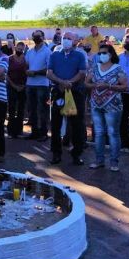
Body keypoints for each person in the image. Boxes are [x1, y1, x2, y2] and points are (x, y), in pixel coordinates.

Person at [85, 43, 128, 171]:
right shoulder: (95, 67)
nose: (101, 55)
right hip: (96, 104)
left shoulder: (118, 68)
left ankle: (114, 162)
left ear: (111, 54)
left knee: (113, 133)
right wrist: (95, 85)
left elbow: (125, 86)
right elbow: (86, 83)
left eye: (104, 53)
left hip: (113, 106)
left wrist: (109, 86)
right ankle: (99, 160)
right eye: (100, 53)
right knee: (98, 133)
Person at [47, 31, 88, 165]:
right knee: (55, 124)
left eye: (69, 38)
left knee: (76, 125)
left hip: (75, 92)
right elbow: (49, 73)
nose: (66, 40)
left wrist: (69, 82)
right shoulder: (54, 55)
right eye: (64, 38)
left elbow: (82, 73)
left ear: (76, 41)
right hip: (58, 91)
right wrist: (61, 82)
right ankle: (56, 153)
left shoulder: (80, 55)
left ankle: (76, 154)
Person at [25, 31, 51, 141]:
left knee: (43, 109)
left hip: (42, 85)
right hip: (30, 84)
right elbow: (26, 65)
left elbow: (49, 69)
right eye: (34, 36)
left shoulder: (47, 51)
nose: (36, 38)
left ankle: (44, 133)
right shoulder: (30, 52)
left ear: (43, 37)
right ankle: (34, 132)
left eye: (38, 36)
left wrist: (35, 72)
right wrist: (27, 71)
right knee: (32, 109)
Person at [6, 42, 28, 138]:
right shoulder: (9, 59)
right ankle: (11, 131)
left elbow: (27, 72)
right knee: (11, 109)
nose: (19, 50)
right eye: (18, 49)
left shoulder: (26, 59)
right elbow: (6, 74)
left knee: (21, 109)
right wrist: (13, 85)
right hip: (11, 86)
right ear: (15, 48)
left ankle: (19, 131)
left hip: (23, 87)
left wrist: (23, 86)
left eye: (21, 49)